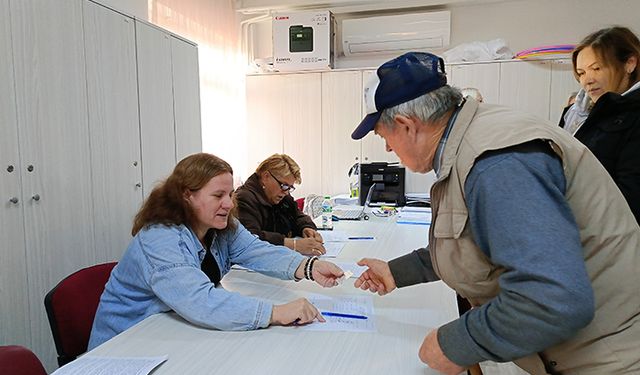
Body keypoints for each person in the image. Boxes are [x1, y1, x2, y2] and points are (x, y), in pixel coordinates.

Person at [350, 52, 640, 374]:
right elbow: (472, 242)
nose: (388, 149)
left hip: (606, 361)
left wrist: (455, 342)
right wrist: (396, 272)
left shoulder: (497, 164)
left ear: (407, 125)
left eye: (383, 136)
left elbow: (551, 300)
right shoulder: (471, 141)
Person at [88, 153, 344, 350]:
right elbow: (199, 300)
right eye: (218, 195)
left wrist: (309, 267)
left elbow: (257, 250)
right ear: (187, 195)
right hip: (125, 348)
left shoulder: (220, 226)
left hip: (169, 334)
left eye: (230, 194)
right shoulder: (160, 239)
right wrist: (276, 313)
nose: (229, 204)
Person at [564, 26, 640, 223]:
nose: (587, 81)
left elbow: (630, 194)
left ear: (630, 63)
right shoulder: (576, 114)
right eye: (581, 73)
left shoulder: (633, 114)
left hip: (612, 233)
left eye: (597, 68)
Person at [234, 154, 326, 256]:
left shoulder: (281, 195)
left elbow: (298, 216)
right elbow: (250, 238)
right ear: (266, 177)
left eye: (289, 187)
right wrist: (292, 244)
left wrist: (307, 228)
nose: (286, 192)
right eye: (284, 185)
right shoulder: (244, 198)